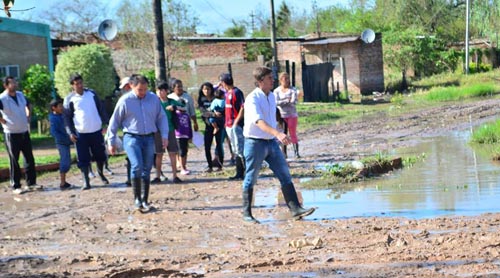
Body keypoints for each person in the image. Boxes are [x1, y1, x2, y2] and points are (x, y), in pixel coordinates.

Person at [241, 66, 315, 223]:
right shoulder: (252, 98)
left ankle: (296, 209)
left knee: (284, 173)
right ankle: (247, 214)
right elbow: (259, 122)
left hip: (271, 142)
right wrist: (278, 134)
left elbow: (272, 116)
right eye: (269, 78)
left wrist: (279, 130)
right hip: (255, 143)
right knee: (251, 177)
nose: (272, 80)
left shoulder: (271, 96)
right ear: (260, 81)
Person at [107, 74, 169, 212]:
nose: (143, 92)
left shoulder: (153, 99)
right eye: (140, 90)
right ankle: (136, 198)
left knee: (146, 169)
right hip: (132, 137)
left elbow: (161, 117)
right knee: (136, 165)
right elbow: (114, 121)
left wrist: (164, 135)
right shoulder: (125, 101)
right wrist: (111, 141)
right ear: (131, 86)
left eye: (145, 89)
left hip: (149, 138)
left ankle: (144, 199)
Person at [63, 73, 109, 190]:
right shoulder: (69, 99)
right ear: (72, 86)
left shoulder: (92, 94)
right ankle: (86, 181)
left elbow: (101, 108)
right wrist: (70, 133)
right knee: (83, 158)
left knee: (100, 155)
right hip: (80, 133)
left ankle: (101, 173)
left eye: (80, 83)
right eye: (76, 84)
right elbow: (67, 118)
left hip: (96, 130)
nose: (79, 85)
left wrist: (105, 123)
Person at [0, 76, 41, 194]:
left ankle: (31, 183)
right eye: (12, 82)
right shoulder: (2, 98)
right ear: (6, 85)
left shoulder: (20, 95)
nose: (15, 84)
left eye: (15, 81)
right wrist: (2, 120)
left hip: (24, 131)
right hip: (11, 133)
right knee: (14, 160)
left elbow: (28, 104)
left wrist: (29, 115)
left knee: (29, 158)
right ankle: (16, 185)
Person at [152, 81, 182, 184]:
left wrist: (175, 108)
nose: (160, 92)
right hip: (157, 131)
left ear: (166, 91)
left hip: (170, 130)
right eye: (158, 90)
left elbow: (183, 105)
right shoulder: (155, 102)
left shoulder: (171, 101)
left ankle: (175, 175)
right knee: (159, 154)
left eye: (162, 90)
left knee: (172, 153)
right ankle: (157, 176)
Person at [168, 79, 198, 175]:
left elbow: (192, 111)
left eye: (181, 86)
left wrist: (195, 122)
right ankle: (180, 164)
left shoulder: (187, 97)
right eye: (178, 87)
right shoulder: (170, 98)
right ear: (173, 88)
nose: (180, 89)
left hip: (185, 125)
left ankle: (182, 165)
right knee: (177, 146)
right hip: (174, 125)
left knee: (184, 146)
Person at [220, 73, 245, 180]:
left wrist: (236, 122)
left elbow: (243, 108)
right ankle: (238, 172)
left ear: (224, 83)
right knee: (235, 149)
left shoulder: (236, 92)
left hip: (236, 125)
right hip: (228, 124)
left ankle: (242, 172)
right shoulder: (227, 92)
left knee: (240, 149)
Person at [197, 82, 224, 173]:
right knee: (207, 146)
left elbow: (222, 108)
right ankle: (210, 166)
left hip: (218, 124)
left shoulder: (215, 98)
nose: (206, 91)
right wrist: (213, 114)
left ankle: (220, 165)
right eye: (204, 89)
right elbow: (203, 112)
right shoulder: (201, 99)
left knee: (219, 145)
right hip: (208, 125)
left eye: (208, 89)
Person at [274, 72, 300, 158]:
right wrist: (286, 100)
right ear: (280, 80)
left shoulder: (293, 89)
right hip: (281, 116)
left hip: (292, 115)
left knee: (293, 133)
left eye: (288, 79)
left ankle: (296, 152)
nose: (287, 81)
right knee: (283, 134)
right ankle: (284, 153)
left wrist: (283, 101)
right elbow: (276, 102)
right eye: (285, 79)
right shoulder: (277, 91)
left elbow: (294, 101)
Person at [49, 98, 73, 190]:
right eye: (59, 106)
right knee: (65, 161)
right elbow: (54, 132)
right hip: (61, 142)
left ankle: (64, 182)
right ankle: (62, 182)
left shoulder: (63, 115)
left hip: (67, 140)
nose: (61, 108)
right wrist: (66, 138)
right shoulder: (53, 119)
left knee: (67, 161)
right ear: (53, 108)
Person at [118, 76, 132, 186]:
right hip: (128, 132)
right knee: (130, 156)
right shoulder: (123, 99)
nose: (124, 89)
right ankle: (130, 178)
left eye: (125, 86)